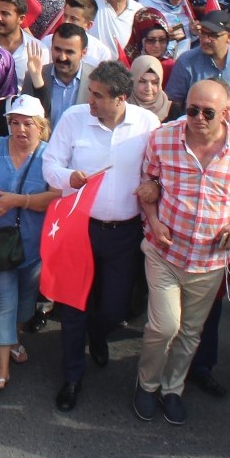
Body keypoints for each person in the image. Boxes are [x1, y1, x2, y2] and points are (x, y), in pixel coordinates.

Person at [135, 79, 230, 426]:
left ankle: (172, 389)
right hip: (166, 253)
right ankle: (146, 384)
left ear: (226, 113)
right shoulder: (162, 138)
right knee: (164, 326)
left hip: (210, 261)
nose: (198, 118)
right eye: (192, 110)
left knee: (190, 332)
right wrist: (154, 222)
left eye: (208, 112)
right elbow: (147, 186)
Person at [43, 60, 162, 413]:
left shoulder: (147, 125)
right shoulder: (74, 119)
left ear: (121, 98)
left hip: (125, 232)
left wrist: (153, 185)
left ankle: (98, 334)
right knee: (74, 306)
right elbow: (50, 163)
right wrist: (69, 178)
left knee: (115, 307)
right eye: (90, 93)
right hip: (80, 228)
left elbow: (159, 170)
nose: (89, 101)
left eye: (97, 96)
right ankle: (72, 377)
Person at [0, 94, 57, 391]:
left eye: (28, 124)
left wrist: (20, 201)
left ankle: (14, 336)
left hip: (33, 249)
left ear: (41, 126)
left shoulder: (50, 156)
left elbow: (57, 197)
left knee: (25, 305)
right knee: (3, 302)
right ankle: (1, 370)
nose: (21, 130)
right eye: (15, 123)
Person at [164, 10, 230, 125]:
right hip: (197, 137)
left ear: (229, 36)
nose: (205, 39)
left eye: (213, 35)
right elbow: (174, 104)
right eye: (203, 33)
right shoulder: (187, 62)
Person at [24, 23, 90, 128]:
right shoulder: (33, 77)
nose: (62, 57)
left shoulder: (95, 80)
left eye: (69, 52)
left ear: (83, 52)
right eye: (57, 50)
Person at [129, 54, 172, 121]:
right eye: (142, 81)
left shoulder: (172, 110)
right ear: (133, 81)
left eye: (154, 83)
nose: (148, 88)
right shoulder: (121, 109)